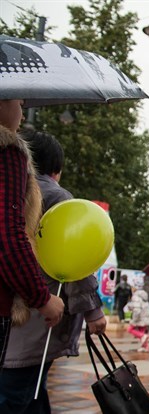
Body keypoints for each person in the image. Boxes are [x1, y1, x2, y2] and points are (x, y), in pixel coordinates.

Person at [0, 129, 106, 413]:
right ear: (55, 169)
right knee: (18, 394)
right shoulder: (56, 197)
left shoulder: (8, 189)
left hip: (16, 317)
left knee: (32, 394)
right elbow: (75, 259)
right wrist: (93, 311)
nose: (21, 110)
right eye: (19, 105)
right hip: (35, 319)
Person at [0, 99, 64, 368]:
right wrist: (42, 298)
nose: (22, 114)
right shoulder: (7, 150)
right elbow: (7, 236)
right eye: (19, 102)